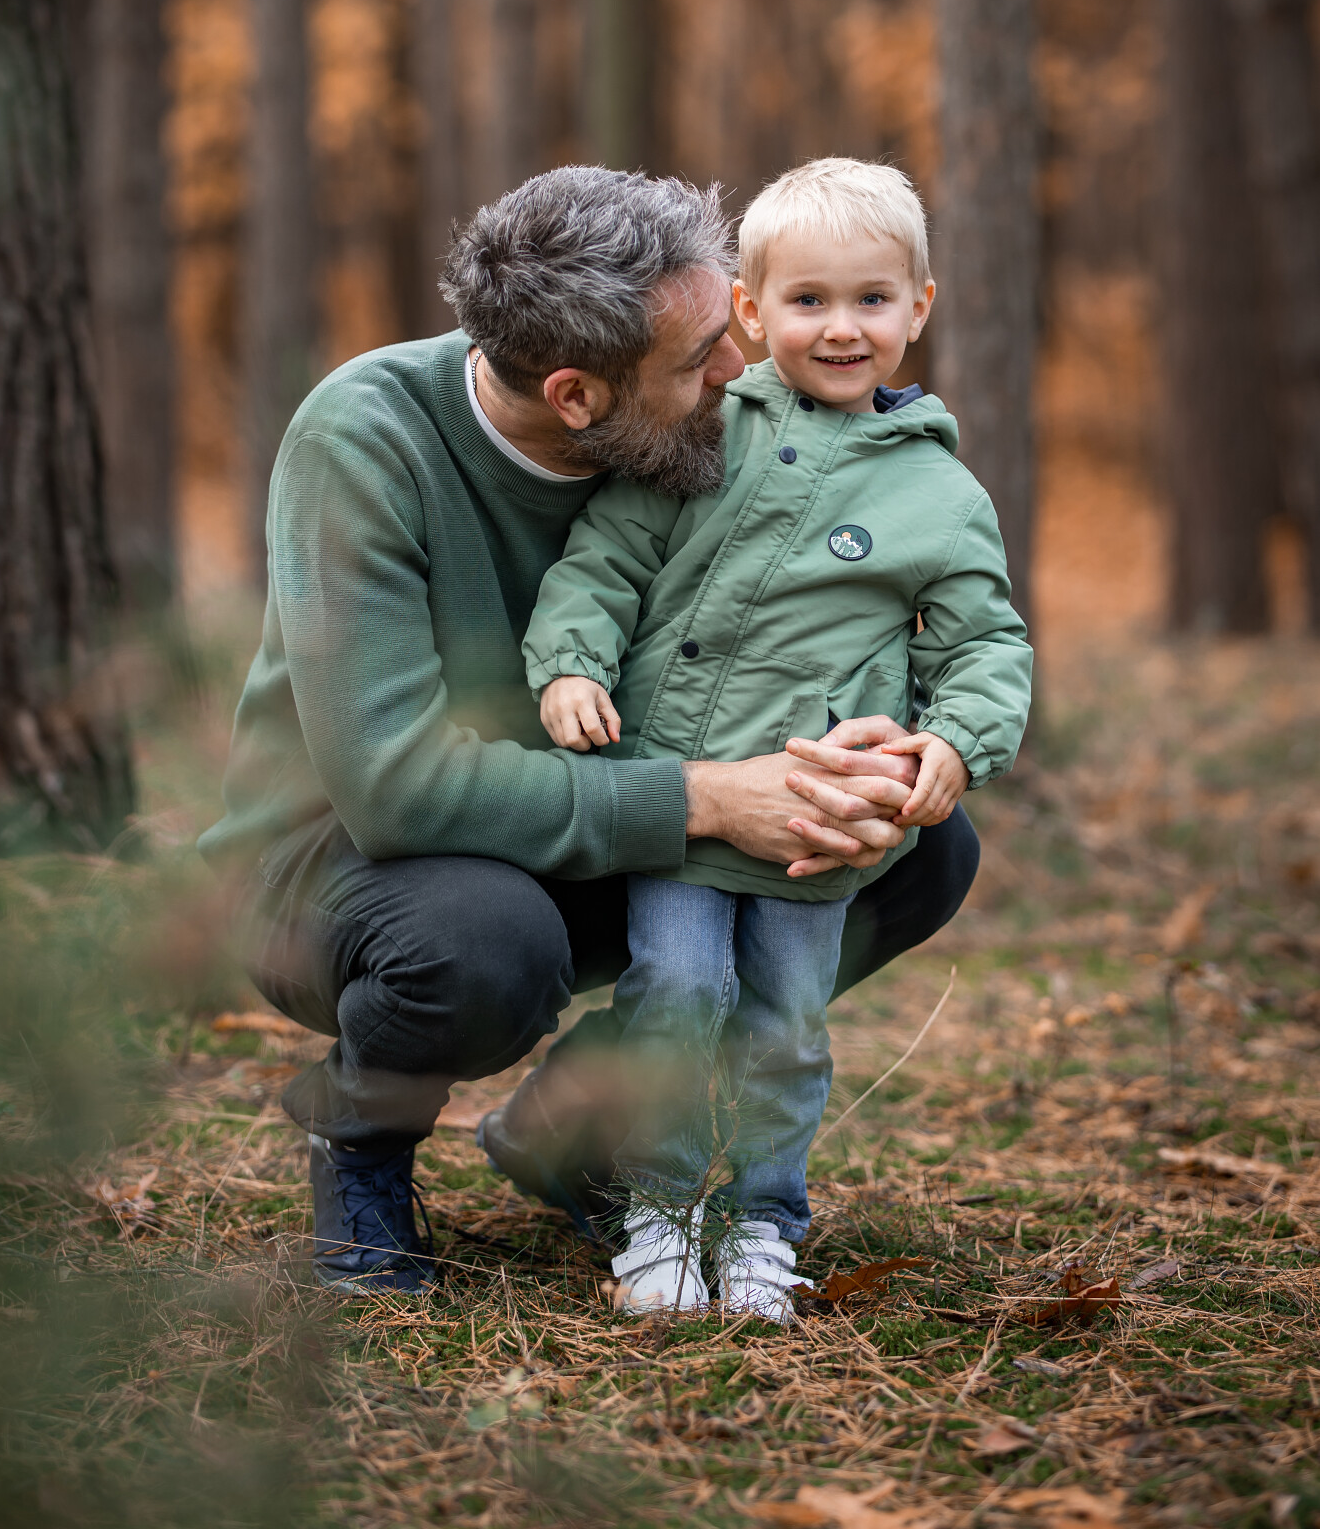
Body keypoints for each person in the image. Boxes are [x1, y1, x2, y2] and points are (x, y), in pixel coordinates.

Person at [198, 166, 981, 1295]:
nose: (737, 366)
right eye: (699, 355)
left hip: (581, 813)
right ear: (576, 396)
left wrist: (873, 749)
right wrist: (711, 798)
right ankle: (357, 1140)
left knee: (900, 846)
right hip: (340, 864)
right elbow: (396, 788)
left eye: (730, 326)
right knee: (483, 941)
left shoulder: (704, 442)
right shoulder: (368, 438)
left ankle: (582, 1121)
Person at [521, 159, 1032, 1320]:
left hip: (820, 820)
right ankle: (651, 1205)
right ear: (750, 312)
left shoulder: (941, 495)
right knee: (676, 991)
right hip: (680, 798)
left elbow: (984, 646)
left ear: (919, 307)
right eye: (806, 300)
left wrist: (955, 738)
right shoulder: (705, 432)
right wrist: (568, 663)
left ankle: (761, 1218)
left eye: (870, 299)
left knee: (786, 1026)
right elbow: (604, 560)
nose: (840, 327)